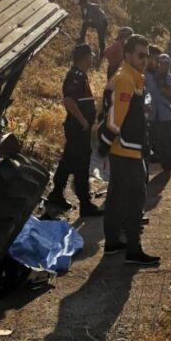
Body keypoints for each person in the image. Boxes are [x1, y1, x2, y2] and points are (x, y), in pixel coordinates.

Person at [98, 34, 161, 266]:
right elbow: (116, 118)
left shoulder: (131, 76)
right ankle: (133, 250)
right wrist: (105, 143)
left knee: (116, 196)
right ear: (127, 55)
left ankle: (113, 243)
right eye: (140, 55)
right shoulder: (126, 78)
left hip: (125, 146)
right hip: (126, 148)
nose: (145, 59)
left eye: (147, 55)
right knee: (136, 197)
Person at [47, 44, 104, 216]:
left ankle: (56, 194)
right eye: (91, 56)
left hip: (79, 128)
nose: (92, 59)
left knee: (68, 160)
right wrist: (83, 121)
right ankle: (85, 203)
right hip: (78, 128)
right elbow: (69, 100)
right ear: (85, 57)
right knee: (81, 163)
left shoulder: (81, 76)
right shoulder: (75, 77)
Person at [146, 54, 171, 170]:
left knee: (167, 142)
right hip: (150, 114)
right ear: (157, 64)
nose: (164, 66)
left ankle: (168, 163)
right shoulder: (148, 77)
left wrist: (168, 94)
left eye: (167, 64)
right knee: (148, 141)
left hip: (166, 115)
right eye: (162, 63)